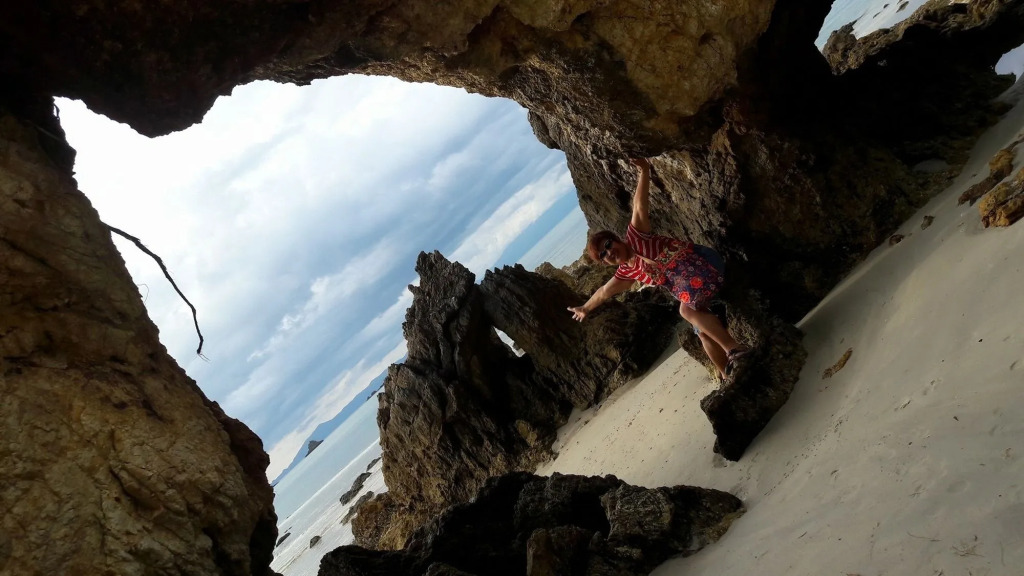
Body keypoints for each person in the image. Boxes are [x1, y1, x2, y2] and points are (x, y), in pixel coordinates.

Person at [567, 157, 750, 378]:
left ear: (616, 239)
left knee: (685, 311)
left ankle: (734, 349)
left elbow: (639, 205)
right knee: (702, 332)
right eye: (603, 255)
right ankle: (729, 375)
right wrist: (585, 308)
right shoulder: (627, 272)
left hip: (702, 263)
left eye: (608, 245)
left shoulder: (637, 236)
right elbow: (604, 291)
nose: (609, 252)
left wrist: (644, 170)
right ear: (605, 263)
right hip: (690, 290)